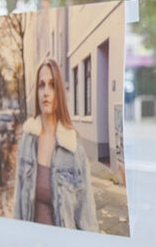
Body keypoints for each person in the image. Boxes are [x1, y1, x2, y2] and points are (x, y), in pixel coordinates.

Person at [11, 58, 98, 231]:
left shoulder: (73, 148)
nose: (46, 92)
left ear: (59, 91)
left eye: (52, 85)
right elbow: (18, 207)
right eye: (41, 85)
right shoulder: (27, 141)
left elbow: (86, 216)